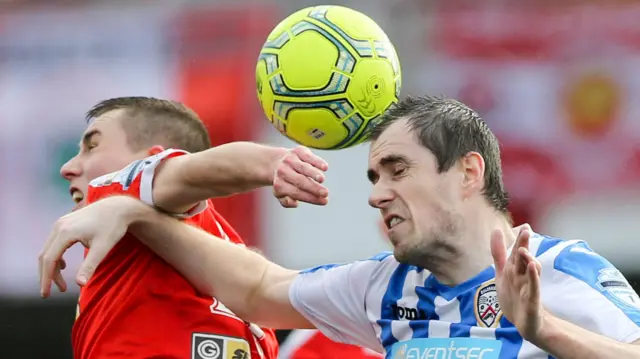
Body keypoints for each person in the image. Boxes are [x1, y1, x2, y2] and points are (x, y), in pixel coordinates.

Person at [41, 96, 640, 358]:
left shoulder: (558, 267)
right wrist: (136, 214)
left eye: (397, 170)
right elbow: (256, 289)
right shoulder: (386, 289)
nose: (377, 193)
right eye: (374, 175)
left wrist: (543, 329)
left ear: (467, 172)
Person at [44, 96, 330, 359]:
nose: (68, 167)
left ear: (150, 160)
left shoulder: (121, 192)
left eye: (91, 147)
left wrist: (272, 163)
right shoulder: (128, 231)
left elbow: (191, 172)